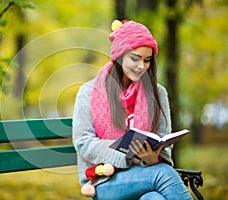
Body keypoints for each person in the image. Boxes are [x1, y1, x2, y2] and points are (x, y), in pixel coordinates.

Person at [72, 20, 193, 200]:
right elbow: (83, 142)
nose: (141, 66)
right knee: (163, 174)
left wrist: (152, 158)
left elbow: (163, 138)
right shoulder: (89, 92)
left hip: (147, 172)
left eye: (147, 60)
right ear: (119, 56)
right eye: (135, 58)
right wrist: (129, 157)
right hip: (103, 180)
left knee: (154, 199)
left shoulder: (158, 93)